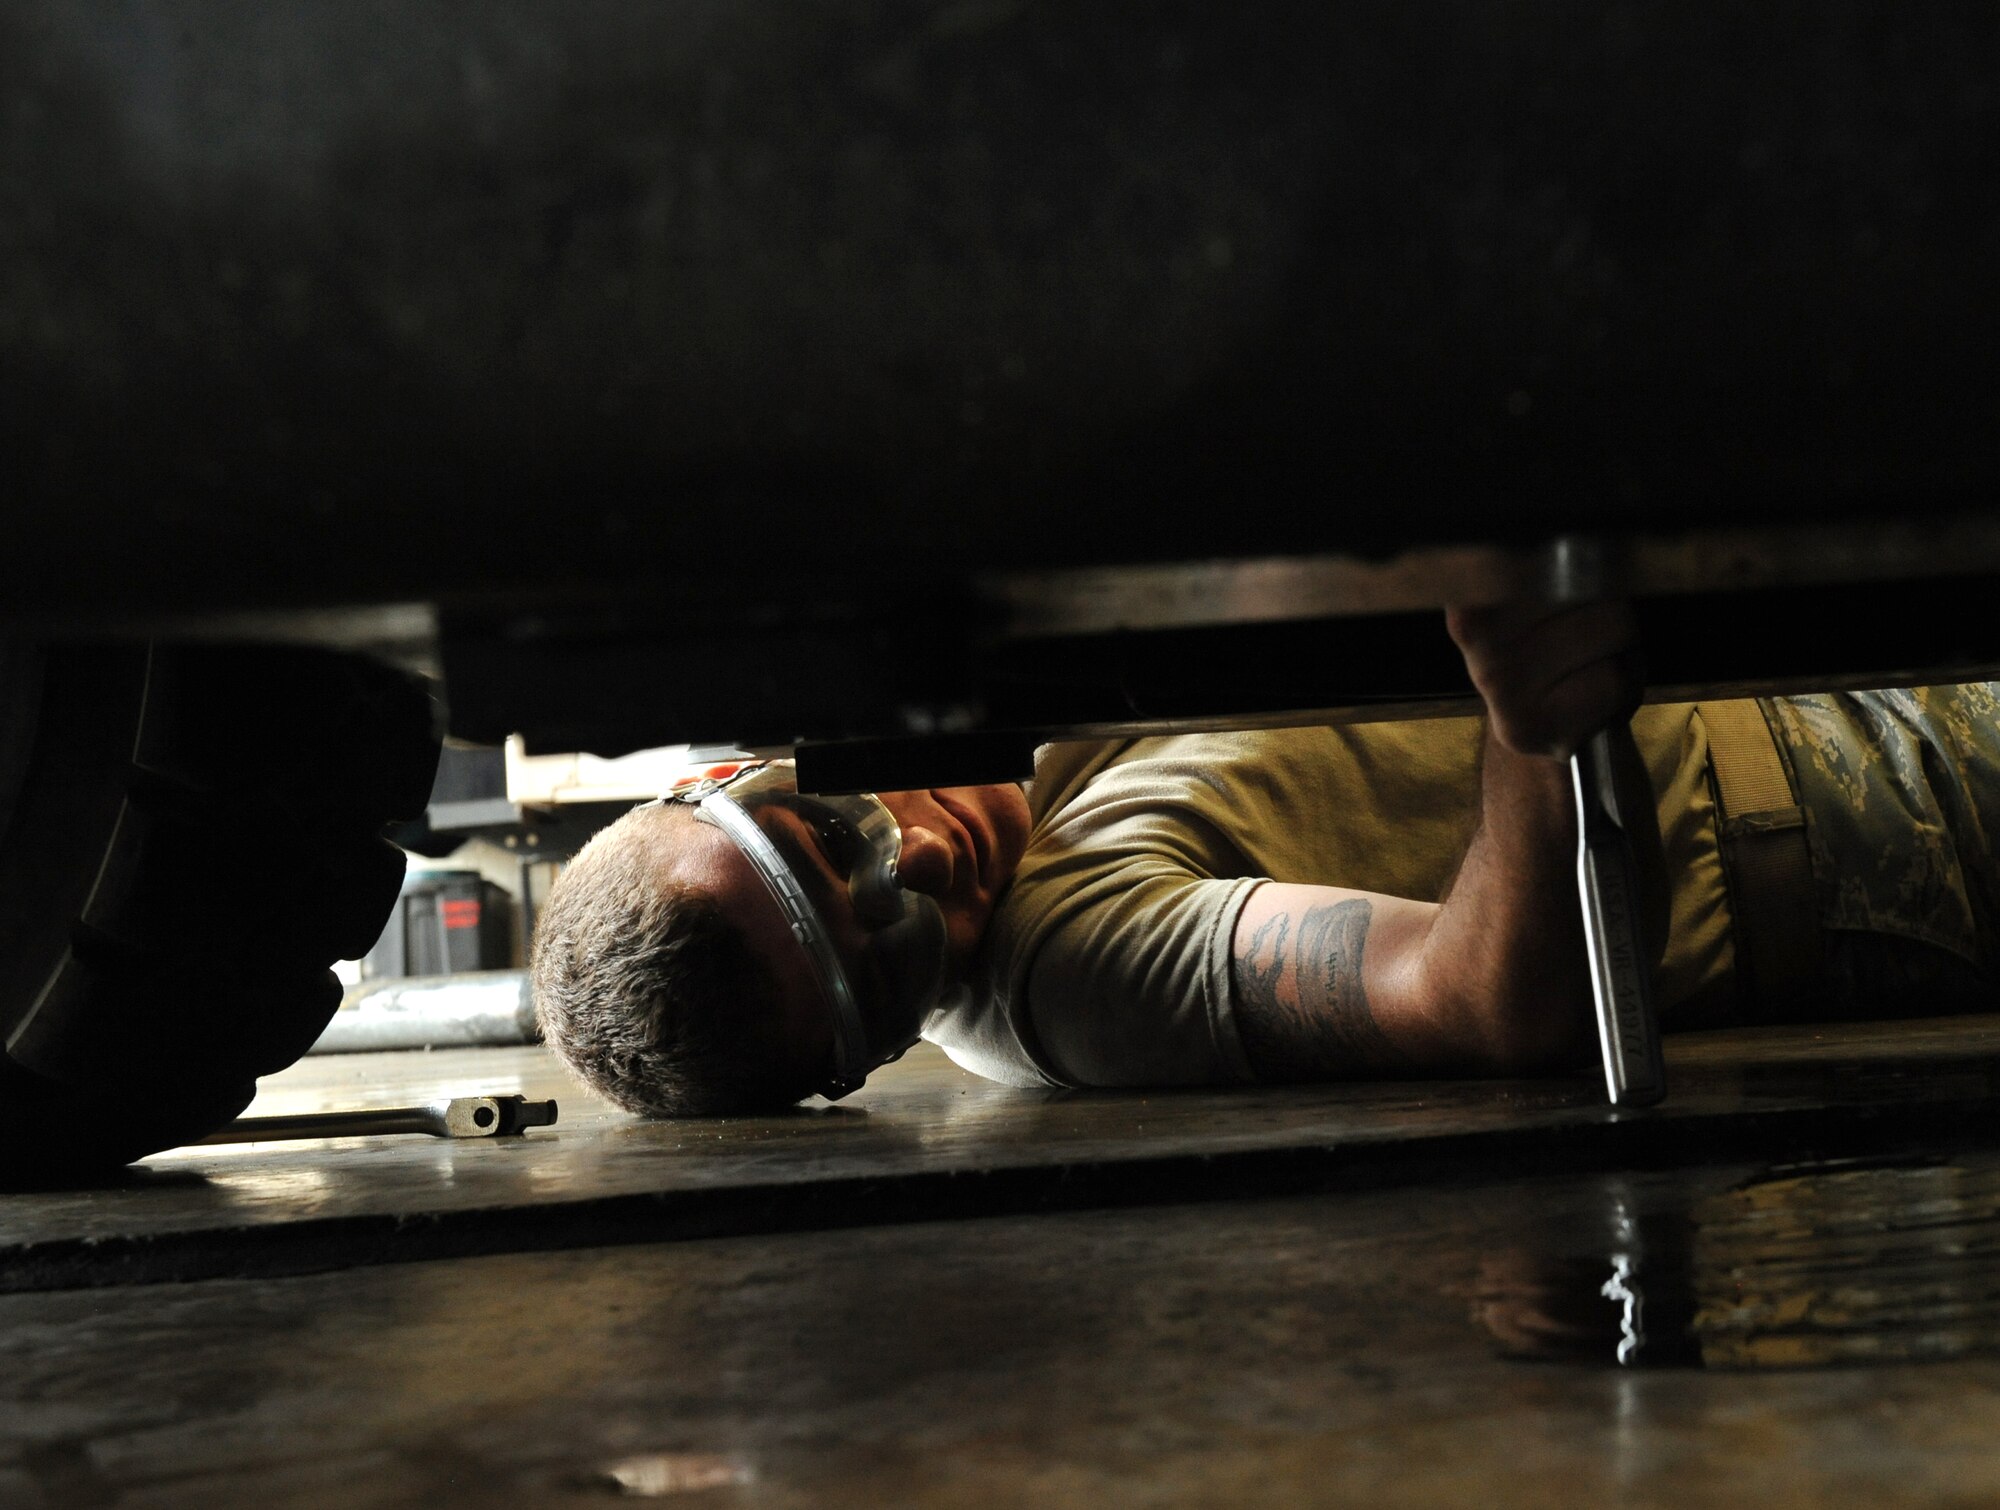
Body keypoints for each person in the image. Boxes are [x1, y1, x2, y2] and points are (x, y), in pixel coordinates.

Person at [530, 599, 2000, 1114]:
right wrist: (1530, 706)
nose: (921, 861)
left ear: (741, 773)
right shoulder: (1077, 975)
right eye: (889, 955)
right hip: (1845, 821)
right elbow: (1486, 1001)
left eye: (831, 845)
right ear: (870, 1060)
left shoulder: (969, 687)